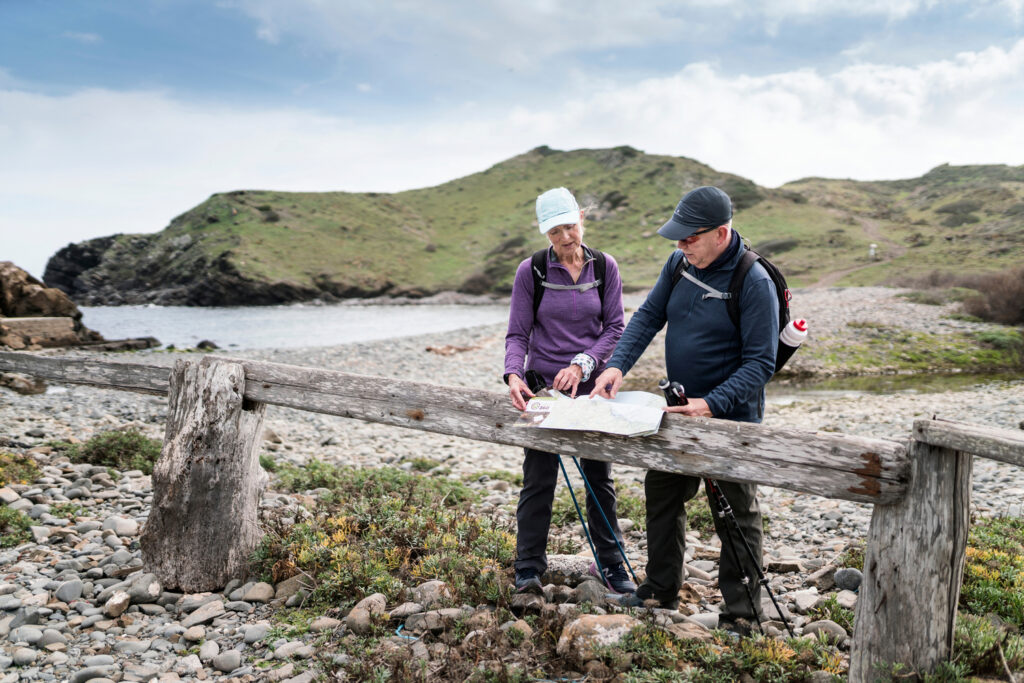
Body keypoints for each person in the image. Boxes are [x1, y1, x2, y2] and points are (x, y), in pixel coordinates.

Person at [589, 185, 778, 633]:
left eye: (689, 238)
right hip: (677, 411)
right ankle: (659, 589)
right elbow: (649, 316)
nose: (680, 245)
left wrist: (712, 404)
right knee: (663, 494)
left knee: (734, 510)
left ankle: (742, 614)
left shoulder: (753, 281)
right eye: (677, 238)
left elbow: (761, 362)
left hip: (730, 417)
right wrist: (616, 366)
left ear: (721, 233)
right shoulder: (679, 264)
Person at [504, 187, 634, 595]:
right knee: (538, 478)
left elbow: (615, 328)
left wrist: (583, 364)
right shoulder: (533, 271)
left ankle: (611, 566)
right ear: (544, 233)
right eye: (554, 231)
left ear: (582, 218)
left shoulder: (605, 267)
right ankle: (528, 570)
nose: (564, 238)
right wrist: (513, 374)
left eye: (569, 227)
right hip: (543, 388)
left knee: (599, 477)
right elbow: (517, 333)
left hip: (591, 388)